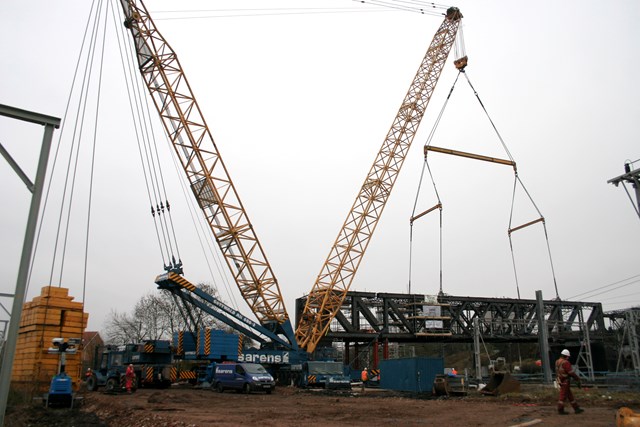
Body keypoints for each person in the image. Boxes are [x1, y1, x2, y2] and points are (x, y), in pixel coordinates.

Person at [555, 349, 584, 415]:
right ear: (566, 356)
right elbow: (570, 372)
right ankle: (560, 409)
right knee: (562, 396)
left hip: (559, 380)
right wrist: (577, 378)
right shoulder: (566, 362)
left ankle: (576, 408)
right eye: (568, 356)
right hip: (565, 381)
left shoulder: (557, 361)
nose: (568, 358)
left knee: (569, 395)